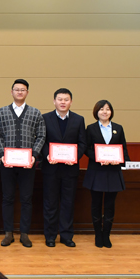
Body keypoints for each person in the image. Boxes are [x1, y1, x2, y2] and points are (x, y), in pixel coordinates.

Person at [0, 79, 45, 248]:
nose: (19, 92)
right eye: (16, 89)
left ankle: (24, 233)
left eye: (23, 90)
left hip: (27, 164)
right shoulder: (2, 112)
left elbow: (41, 135)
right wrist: (1, 154)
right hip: (7, 163)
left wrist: (34, 155)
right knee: (7, 198)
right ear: (11, 92)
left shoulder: (35, 113)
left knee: (26, 199)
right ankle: (8, 233)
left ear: (27, 93)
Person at [41, 88, 87, 248]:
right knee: (50, 203)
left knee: (68, 203)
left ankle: (66, 236)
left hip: (70, 169)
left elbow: (82, 143)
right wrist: (47, 155)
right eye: (60, 99)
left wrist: (74, 157)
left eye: (66, 99)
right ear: (54, 101)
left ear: (71, 102)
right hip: (50, 169)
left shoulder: (78, 120)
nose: (63, 102)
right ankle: (50, 236)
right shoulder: (45, 118)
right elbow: (41, 140)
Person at [83, 99, 130, 248]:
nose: (105, 112)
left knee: (110, 205)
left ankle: (106, 235)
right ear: (96, 112)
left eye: (108, 109)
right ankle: (98, 234)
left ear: (111, 112)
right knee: (96, 204)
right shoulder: (91, 128)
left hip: (113, 172)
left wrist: (121, 161)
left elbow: (123, 149)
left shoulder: (118, 128)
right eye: (101, 109)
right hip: (97, 172)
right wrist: (98, 157)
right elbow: (86, 149)